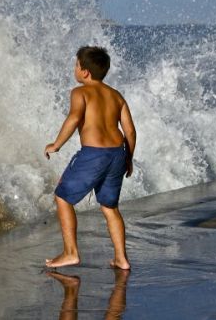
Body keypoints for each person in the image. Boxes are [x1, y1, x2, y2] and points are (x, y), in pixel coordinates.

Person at [44, 46, 136, 270]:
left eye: (76, 65)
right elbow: (130, 131)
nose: (74, 69)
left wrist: (56, 144)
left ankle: (70, 253)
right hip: (117, 153)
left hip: (93, 154)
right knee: (109, 207)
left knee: (63, 198)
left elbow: (74, 118)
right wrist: (129, 159)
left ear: (84, 72)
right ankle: (121, 258)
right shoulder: (116, 95)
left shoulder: (80, 92)